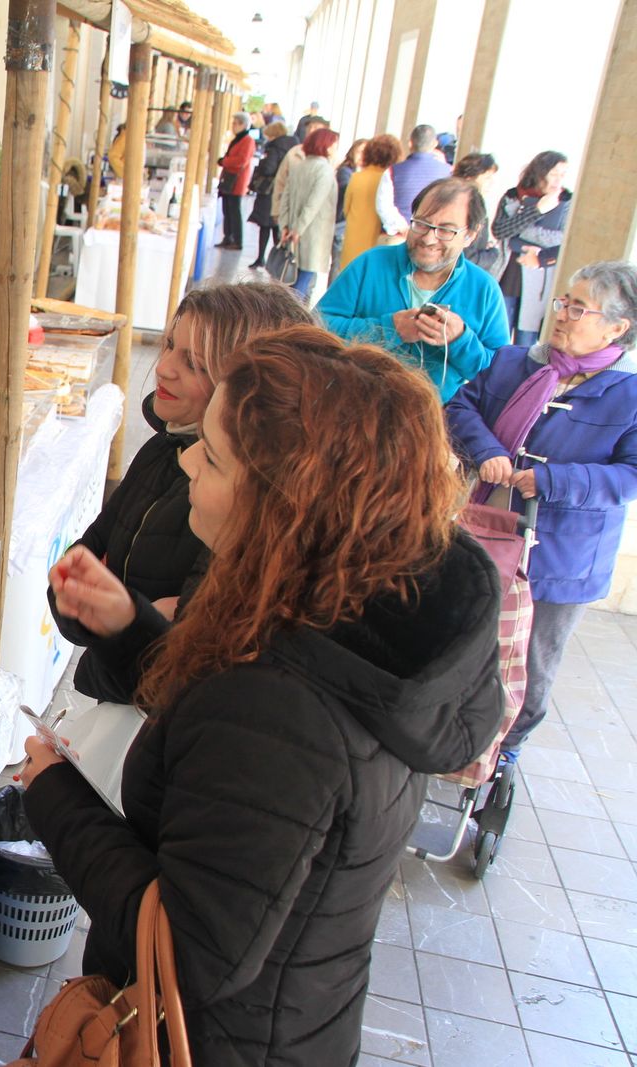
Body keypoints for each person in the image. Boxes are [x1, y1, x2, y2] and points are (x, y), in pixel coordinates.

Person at [27, 326, 503, 1067]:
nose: (184, 460)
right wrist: (131, 629)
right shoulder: (361, 619)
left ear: (285, 509)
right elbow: (244, 758)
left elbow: (194, 950)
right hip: (305, 1021)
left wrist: (54, 793)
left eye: (212, 457)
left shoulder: (277, 704)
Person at [48, 283, 317, 702]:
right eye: (169, 346)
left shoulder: (244, 513)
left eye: (193, 363)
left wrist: (121, 618)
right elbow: (92, 550)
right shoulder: (166, 445)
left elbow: (177, 669)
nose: (163, 368)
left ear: (250, 393)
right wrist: (100, 607)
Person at [446, 261, 637, 756]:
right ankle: (446, 736)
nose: (563, 315)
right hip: (485, 530)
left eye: (578, 308)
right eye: (562, 303)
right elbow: (460, 407)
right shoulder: (515, 362)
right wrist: (487, 449)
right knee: (457, 637)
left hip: (563, 557)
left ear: (618, 328)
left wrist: (552, 479)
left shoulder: (630, 395)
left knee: (530, 662)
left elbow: (629, 474)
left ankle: (505, 751)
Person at [318, 177, 511, 400]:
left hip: (437, 420)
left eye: (446, 230)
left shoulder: (484, 290)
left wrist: (460, 340)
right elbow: (316, 327)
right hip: (356, 406)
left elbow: (499, 377)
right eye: (421, 224)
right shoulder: (370, 264)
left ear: (470, 236)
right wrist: (389, 328)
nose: (429, 239)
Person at [494, 151, 572, 346]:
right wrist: (537, 211)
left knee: (527, 340)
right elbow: (501, 230)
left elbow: (563, 239)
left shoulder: (566, 201)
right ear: (540, 172)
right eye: (554, 173)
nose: (559, 179)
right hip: (508, 273)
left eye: (563, 174)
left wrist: (520, 234)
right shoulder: (514, 195)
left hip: (540, 277)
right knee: (498, 334)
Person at [275, 126, 341, 299]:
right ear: (326, 145)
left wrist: (285, 227)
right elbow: (314, 204)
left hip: (292, 233)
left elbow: (285, 199)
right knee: (302, 283)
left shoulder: (299, 166)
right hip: (312, 235)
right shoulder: (324, 170)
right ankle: (293, 320)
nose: (335, 149)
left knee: (292, 281)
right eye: (334, 144)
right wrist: (298, 230)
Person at [338, 133, 407, 275]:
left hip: (353, 242)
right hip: (377, 245)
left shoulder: (356, 177)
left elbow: (346, 209)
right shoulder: (389, 180)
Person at [245, 121, 295, 269]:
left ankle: (261, 258)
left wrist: (261, 166)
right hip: (283, 192)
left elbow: (268, 168)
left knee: (265, 226)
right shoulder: (292, 147)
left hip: (269, 192)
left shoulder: (274, 148)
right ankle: (278, 263)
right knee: (277, 229)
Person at [453, 152, 505, 278]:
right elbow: (468, 258)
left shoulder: (453, 198)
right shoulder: (469, 207)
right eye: (487, 178)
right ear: (470, 178)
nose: (491, 183)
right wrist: (493, 253)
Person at [389, 124, 452, 220]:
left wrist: (401, 226)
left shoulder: (393, 170)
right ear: (435, 144)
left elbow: (384, 205)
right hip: (430, 229)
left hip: (399, 230)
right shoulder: (448, 172)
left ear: (410, 143)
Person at [214, 112, 255, 250]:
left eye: (236, 123)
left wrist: (224, 161)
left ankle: (237, 240)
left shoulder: (248, 140)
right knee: (227, 209)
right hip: (229, 178)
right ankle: (228, 236)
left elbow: (242, 160)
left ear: (243, 125)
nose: (233, 126)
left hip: (237, 180)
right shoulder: (237, 139)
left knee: (234, 210)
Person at [331, 137, 367, 275]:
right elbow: (346, 189)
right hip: (341, 224)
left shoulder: (360, 174)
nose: (362, 155)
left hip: (350, 226)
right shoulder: (346, 171)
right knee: (338, 265)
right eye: (359, 151)